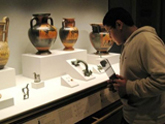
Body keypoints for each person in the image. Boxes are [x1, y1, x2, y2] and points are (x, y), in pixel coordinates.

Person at [103, 7, 165, 124]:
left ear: (119, 24)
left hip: (148, 119)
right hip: (132, 116)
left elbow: (163, 79)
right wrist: (120, 85)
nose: (109, 36)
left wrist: (128, 86)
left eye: (109, 31)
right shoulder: (130, 43)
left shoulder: (147, 41)